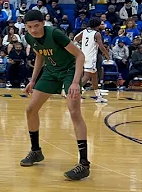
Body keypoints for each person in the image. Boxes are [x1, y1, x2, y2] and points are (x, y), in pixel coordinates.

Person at [21, 10, 90, 181]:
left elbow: (80, 55)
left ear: (43, 23)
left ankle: (84, 164)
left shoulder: (56, 34)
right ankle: (36, 151)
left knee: (74, 112)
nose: (33, 30)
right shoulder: (30, 37)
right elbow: (39, 55)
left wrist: (75, 82)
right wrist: (33, 80)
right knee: (31, 109)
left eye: (36, 26)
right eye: (29, 27)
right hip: (51, 72)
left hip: (69, 71)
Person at [74, 18, 110, 103]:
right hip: (91, 58)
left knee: (94, 76)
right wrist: (107, 55)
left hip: (83, 56)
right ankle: (72, 92)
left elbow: (75, 39)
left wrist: (79, 48)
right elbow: (101, 47)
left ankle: (98, 96)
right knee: (86, 77)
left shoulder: (84, 31)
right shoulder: (97, 34)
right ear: (97, 26)